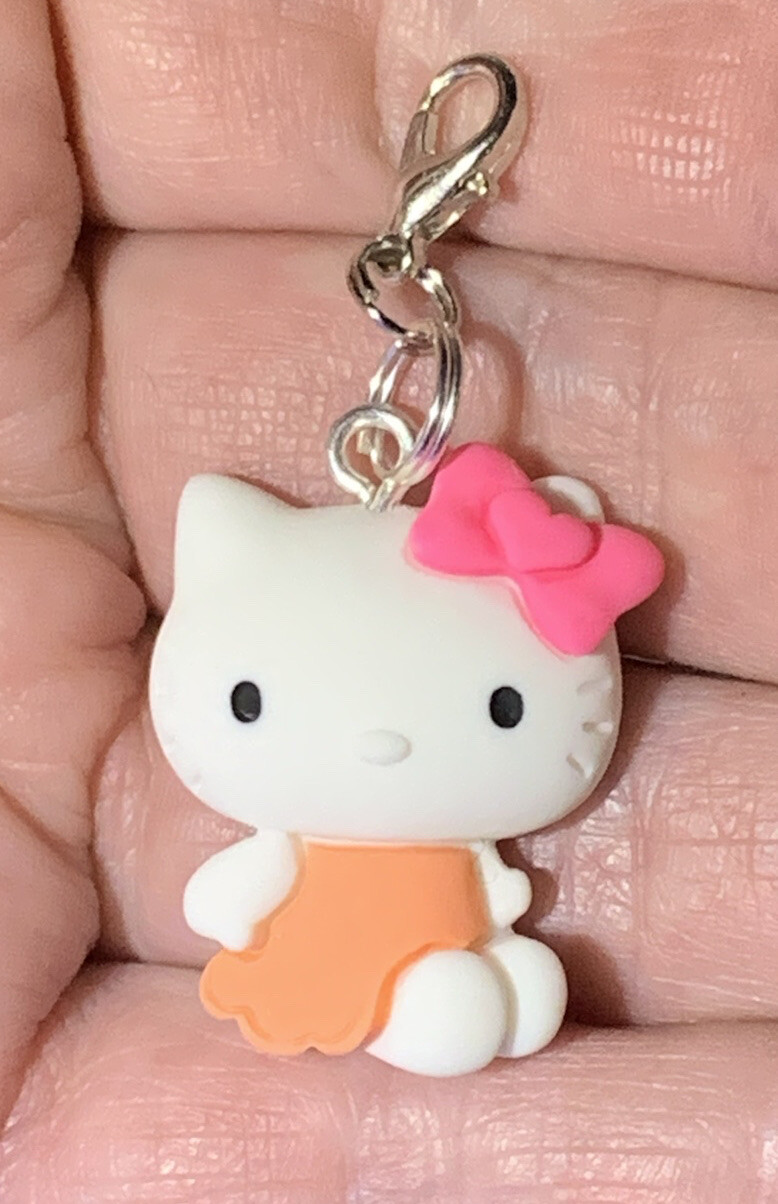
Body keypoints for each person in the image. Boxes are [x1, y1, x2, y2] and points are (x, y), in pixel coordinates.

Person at [0, 0, 775, 1199]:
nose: (379, 745)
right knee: (437, 992)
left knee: (477, 985)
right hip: (316, 940)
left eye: (507, 707)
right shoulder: (288, 810)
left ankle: (460, 996)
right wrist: (236, 888)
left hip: (449, 930)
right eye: (250, 700)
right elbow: (247, 882)